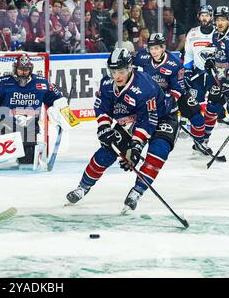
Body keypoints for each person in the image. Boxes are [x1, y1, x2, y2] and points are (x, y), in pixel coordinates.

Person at [66, 48, 178, 213]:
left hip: (163, 117)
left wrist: (136, 146)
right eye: (113, 71)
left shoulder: (144, 87)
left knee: (158, 152)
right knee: (107, 150)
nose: (117, 76)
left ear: (130, 68)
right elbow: (102, 108)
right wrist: (104, 127)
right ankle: (82, 187)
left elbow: (149, 120)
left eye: (122, 71)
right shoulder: (106, 84)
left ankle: (137, 192)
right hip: (132, 119)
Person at [0, 54, 78, 167]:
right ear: (15, 69)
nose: (23, 72)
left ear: (30, 70)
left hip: (28, 131)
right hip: (3, 128)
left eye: (26, 70)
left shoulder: (41, 83)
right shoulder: (3, 83)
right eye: (20, 69)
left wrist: (67, 117)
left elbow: (58, 100)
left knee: (28, 163)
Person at [134, 33, 209, 155]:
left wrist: (169, 102)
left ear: (163, 48)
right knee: (144, 120)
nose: (154, 51)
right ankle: (136, 146)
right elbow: (126, 64)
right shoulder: (142, 56)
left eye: (157, 48)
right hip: (154, 95)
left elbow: (178, 88)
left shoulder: (175, 63)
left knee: (197, 117)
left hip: (174, 93)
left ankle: (200, 142)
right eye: (151, 48)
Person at [183, 5, 229, 127]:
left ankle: (221, 116)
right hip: (198, 71)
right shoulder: (192, 33)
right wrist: (188, 71)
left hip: (216, 72)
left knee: (216, 96)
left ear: (211, 17)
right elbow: (188, 54)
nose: (204, 18)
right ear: (199, 17)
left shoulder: (219, 32)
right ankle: (195, 120)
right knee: (195, 97)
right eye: (202, 15)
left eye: (207, 15)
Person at [203, 6, 229, 144]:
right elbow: (219, 53)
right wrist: (212, 60)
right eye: (218, 19)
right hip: (220, 78)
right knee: (212, 107)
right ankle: (204, 138)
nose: (220, 22)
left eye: (223, 19)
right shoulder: (215, 35)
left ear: (228, 20)